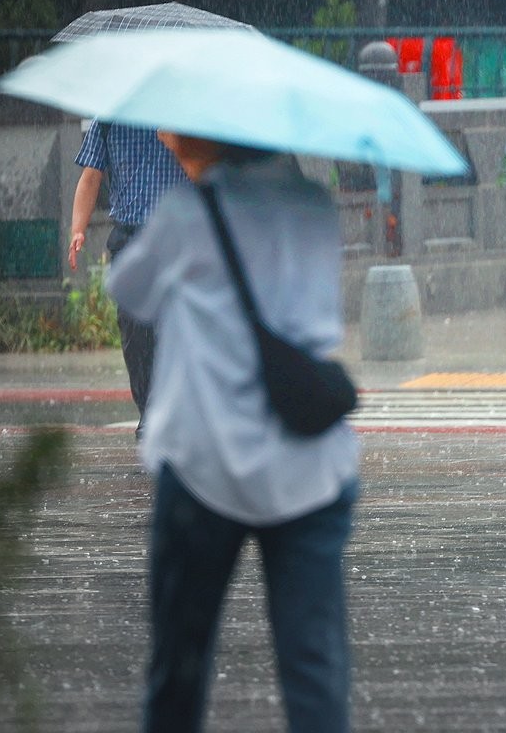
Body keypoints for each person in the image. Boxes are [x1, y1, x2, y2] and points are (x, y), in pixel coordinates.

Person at [107, 134, 359, 733]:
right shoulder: (314, 206)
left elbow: (128, 292)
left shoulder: (184, 212)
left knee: (179, 666)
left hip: (202, 463)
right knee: (313, 666)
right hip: (309, 468)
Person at [71, 122, 189, 438]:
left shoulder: (185, 113)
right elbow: (91, 175)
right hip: (130, 238)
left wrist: (177, 142)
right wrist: (78, 229)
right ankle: (150, 416)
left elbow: (207, 172)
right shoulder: (109, 119)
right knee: (135, 331)